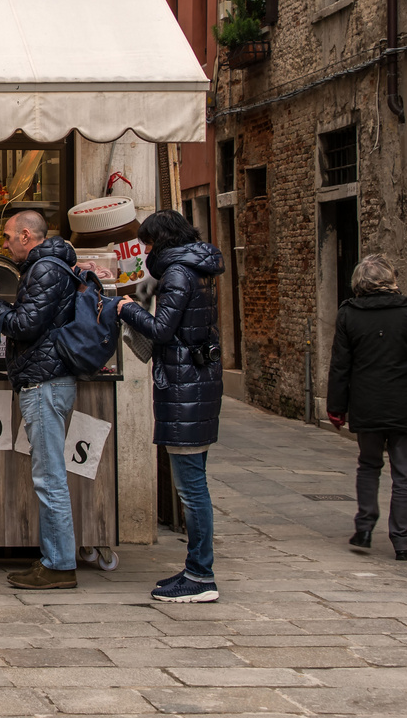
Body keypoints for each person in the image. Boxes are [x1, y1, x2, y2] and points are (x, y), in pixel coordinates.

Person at [0, 209, 80, 591]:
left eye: (9, 237)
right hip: (47, 380)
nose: (5, 244)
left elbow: (26, 326)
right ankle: (54, 559)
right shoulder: (49, 267)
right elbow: (30, 318)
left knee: (49, 477)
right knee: (48, 474)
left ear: (27, 235)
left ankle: (59, 565)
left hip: (45, 382)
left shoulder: (45, 269)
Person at [115, 209, 224, 604]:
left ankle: (200, 575)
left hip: (186, 389)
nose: (144, 251)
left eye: (147, 244)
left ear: (160, 241)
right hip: (194, 384)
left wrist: (126, 308)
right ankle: (196, 568)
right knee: (193, 484)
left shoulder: (178, 273)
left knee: (192, 489)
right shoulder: (197, 269)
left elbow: (162, 329)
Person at [325, 253, 407, 561]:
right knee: (405, 473)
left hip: (367, 403)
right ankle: (401, 539)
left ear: (358, 283)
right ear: (390, 279)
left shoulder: (348, 314)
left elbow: (340, 365)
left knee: (368, 466)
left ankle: (365, 526)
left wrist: (336, 407)